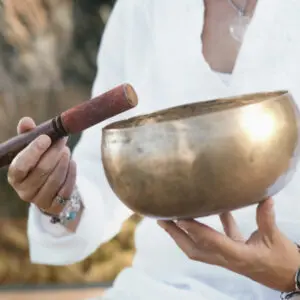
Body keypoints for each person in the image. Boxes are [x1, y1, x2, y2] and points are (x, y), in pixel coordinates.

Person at [7, 0, 300, 299]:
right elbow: (100, 178)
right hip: (164, 288)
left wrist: (294, 274)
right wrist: (58, 201)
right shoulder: (144, 7)